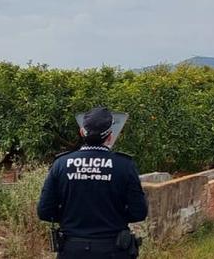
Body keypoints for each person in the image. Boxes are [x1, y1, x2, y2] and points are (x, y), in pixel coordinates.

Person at [38, 106, 148, 258]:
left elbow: (44, 211)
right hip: (113, 249)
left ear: (82, 132)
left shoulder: (61, 164)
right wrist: (114, 216)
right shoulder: (124, 165)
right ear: (110, 136)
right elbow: (139, 212)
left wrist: (71, 218)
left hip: (72, 249)